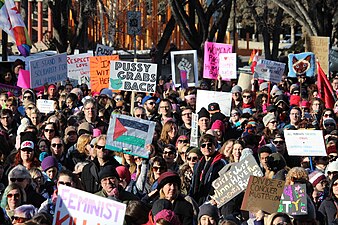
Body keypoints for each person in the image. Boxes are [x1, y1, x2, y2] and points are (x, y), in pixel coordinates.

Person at [190, 134, 226, 205]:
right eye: (203, 145)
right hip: (198, 199)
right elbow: (193, 183)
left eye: (209, 145)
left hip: (212, 201)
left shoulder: (220, 162)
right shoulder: (198, 164)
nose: (206, 147)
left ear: (214, 146)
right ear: (200, 148)